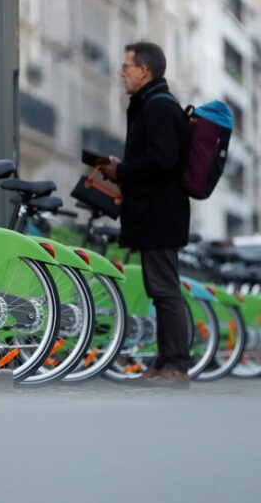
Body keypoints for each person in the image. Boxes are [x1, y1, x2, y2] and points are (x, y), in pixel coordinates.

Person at [100, 41, 192, 387]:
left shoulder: (157, 106)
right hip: (156, 212)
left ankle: (178, 365)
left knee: (166, 290)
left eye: (127, 67)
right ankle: (164, 361)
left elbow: (163, 159)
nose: (122, 73)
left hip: (160, 214)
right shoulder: (151, 104)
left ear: (144, 70)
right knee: (160, 289)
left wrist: (122, 172)